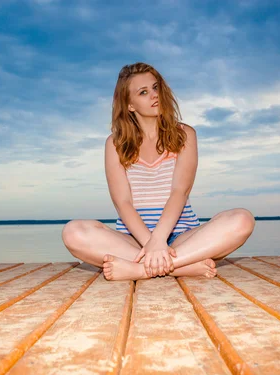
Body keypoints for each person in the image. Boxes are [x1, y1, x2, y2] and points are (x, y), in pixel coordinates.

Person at [62, 62, 255, 281]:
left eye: (155, 87)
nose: (154, 95)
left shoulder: (185, 135)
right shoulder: (115, 144)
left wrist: (160, 240)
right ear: (129, 105)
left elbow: (179, 192)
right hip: (134, 241)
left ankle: (141, 270)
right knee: (73, 232)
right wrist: (151, 243)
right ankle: (181, 266)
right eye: (143, 92)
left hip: (181, 237)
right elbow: (122, 203)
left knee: (242, 219)